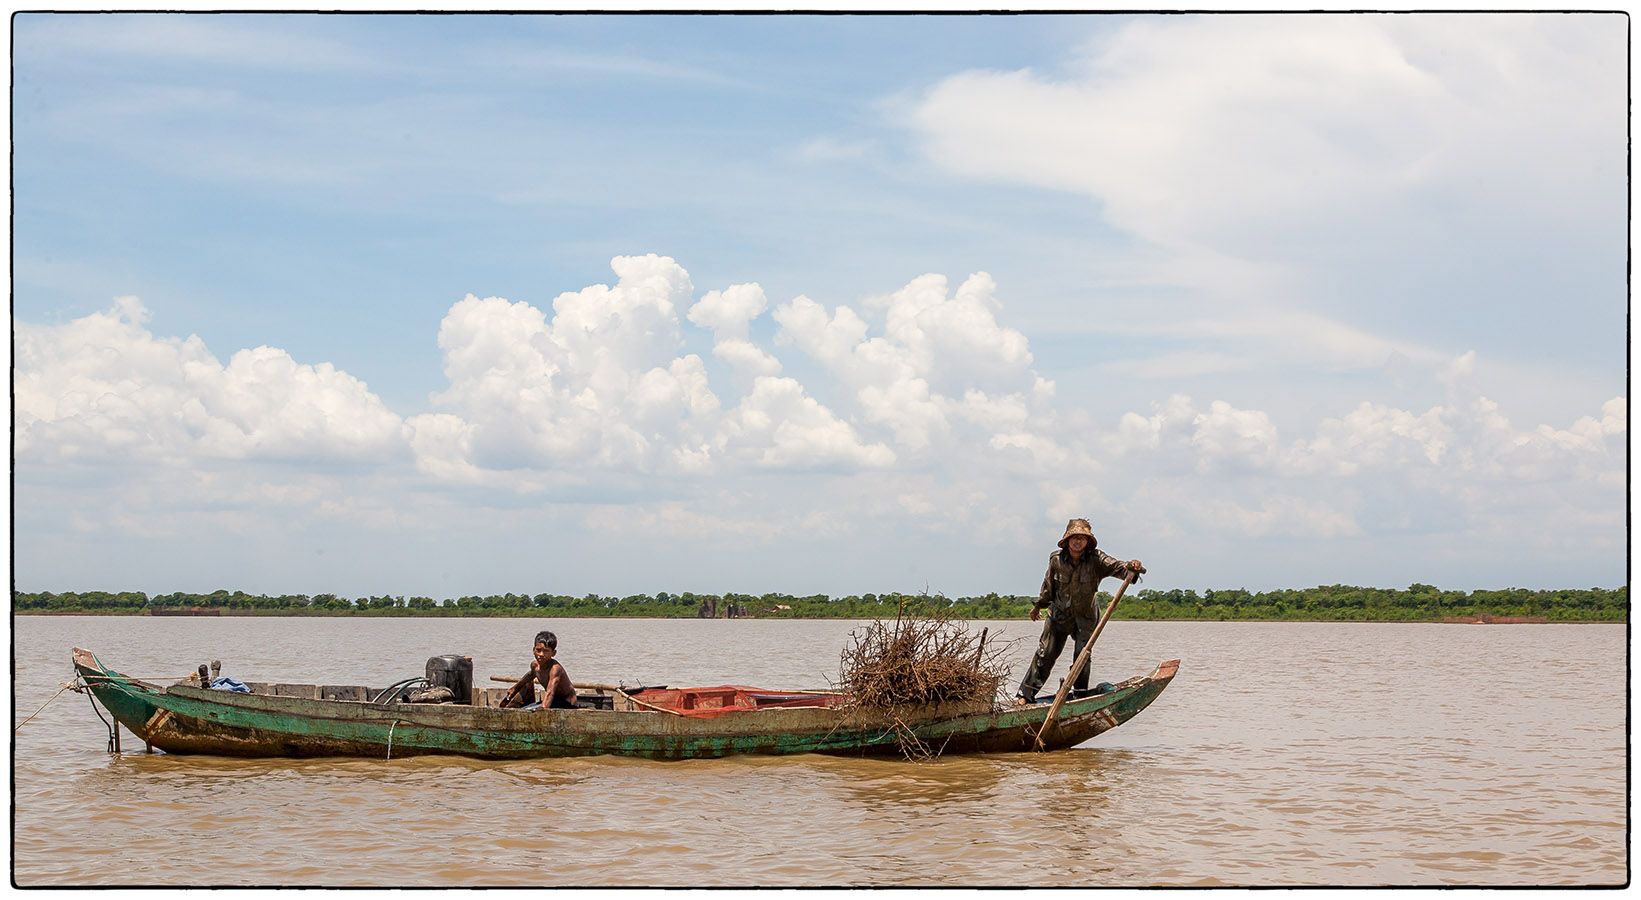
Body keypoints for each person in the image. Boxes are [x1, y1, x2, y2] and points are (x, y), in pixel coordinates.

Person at [1013, 518, 1145, 706]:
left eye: (1082, 538)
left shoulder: (1096, 559)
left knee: (1082, 657)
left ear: (1087, 541)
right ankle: (1025, 695)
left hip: (1085, 617)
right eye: (1074, 538)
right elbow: (1048, 587)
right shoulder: (1056, 560)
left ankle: (1080, 696)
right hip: (1058, 616)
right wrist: (1038, 606)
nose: (1077, 541)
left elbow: (1120, 568)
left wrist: (1132, 567)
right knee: (1045, 654)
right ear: (1067, 540)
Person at [500, 630, 578, 710]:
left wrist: (543, 709)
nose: (541, 654)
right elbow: (529, 676)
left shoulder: (555, 669)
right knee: (526, 689)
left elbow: (550, 692)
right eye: (538, 650)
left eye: (546, 651)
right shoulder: (535, 665)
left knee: (529, 709)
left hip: (567, 703)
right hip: (553, 701)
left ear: (553, 653)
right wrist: (514, 688)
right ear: (534, 650)